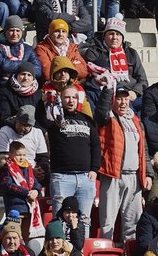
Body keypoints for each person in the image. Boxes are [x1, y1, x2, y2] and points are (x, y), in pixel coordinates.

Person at [46, 84, 101, 236]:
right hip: (62, 177)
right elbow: (41, 119)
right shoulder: (54, 118)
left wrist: (94, 170)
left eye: (74, 97)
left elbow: (96, 146)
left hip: (85, 178)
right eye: (67, 97)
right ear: (61, 99)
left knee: (84, 219)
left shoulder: (87, 120)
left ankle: (80, 250)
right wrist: (44, 101)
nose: (71, 100)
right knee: (59, 219)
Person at [94, 84, 147, 241]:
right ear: (113, 100)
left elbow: (143, 149)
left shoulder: (135, 120)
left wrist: (148, 173)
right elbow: (100, 112)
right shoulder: (107, 117)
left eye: (126, 98)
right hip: (112, 176)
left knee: (133, 222)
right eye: (119, 98)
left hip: (134, 177)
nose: (123, 102)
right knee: (107, 223)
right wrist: (108, 90)